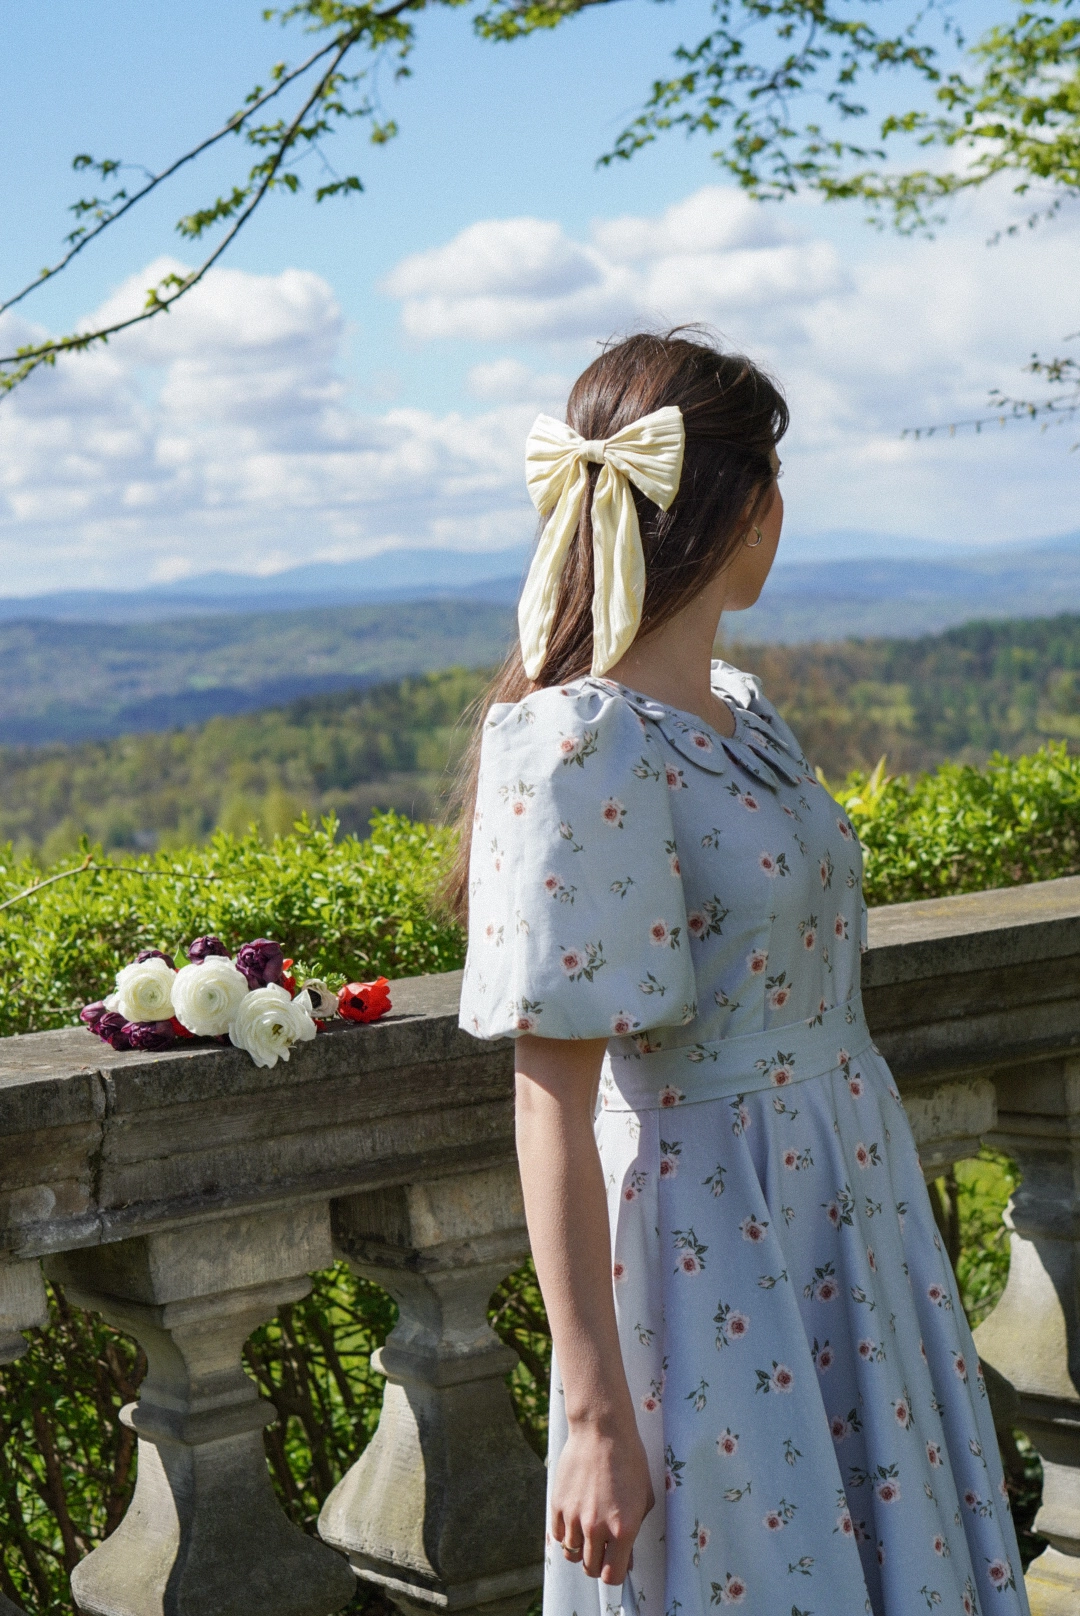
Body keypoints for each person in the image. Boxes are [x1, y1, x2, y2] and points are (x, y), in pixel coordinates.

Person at [449, 330, 1028, 1616]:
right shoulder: (585, 746)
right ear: (745, 510)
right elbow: (551, 1095)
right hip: (712, 1240)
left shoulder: (742, 716)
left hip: (847, 1197)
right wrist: (594, 1409)